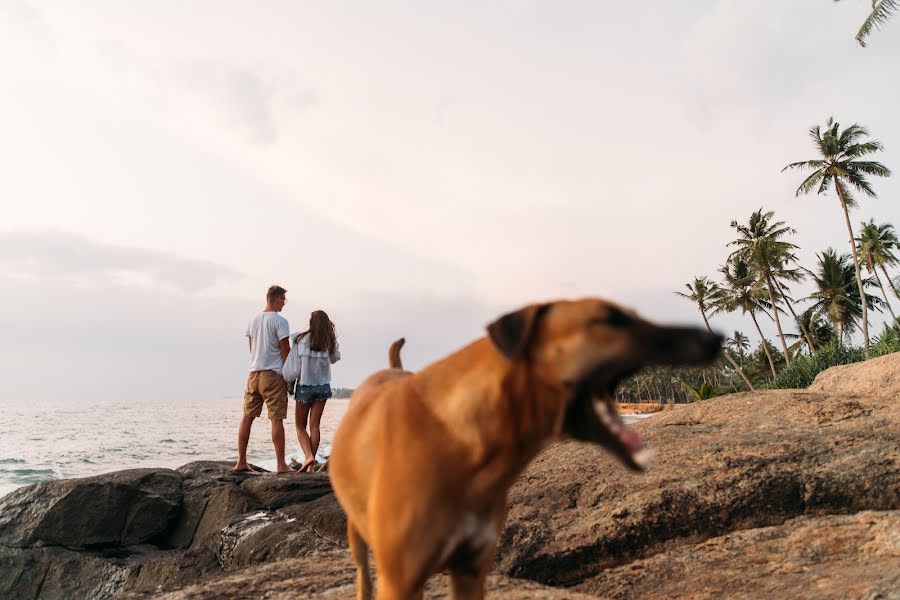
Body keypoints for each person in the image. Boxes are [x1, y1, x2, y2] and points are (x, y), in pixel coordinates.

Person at [234, 285, 293, 474]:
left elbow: (252, 348)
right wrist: (290, 376)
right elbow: (286, 351)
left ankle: (241, 461)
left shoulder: (253, 320)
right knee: (276, 419)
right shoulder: (280, 321)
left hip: (254, 373)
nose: (284, 303)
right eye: (283, 299)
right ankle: (281, 464)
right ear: (276, 299)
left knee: (247, 417)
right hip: (273, 375)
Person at [293, 310, 341, 473]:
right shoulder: (329, 342)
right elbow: (335, 359)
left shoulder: (300, 339)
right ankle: (310, 466)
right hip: (323, 387)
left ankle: (308, 457)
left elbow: (295, 367)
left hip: (305, 386)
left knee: (300, 426)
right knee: (315, 426)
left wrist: (288, 381)